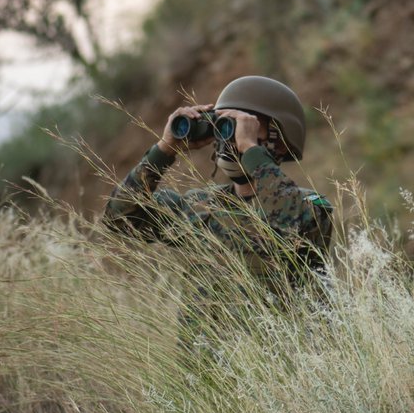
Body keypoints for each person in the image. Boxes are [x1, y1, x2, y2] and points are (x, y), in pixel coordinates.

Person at [104, 75, 332, 336]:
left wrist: (249, 147)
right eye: (224, 126)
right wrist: (166, 149)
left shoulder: (309, 206)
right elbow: (118, 218)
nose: (229, 139)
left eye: (242, 125)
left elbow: (287, 217)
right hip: (203, 372)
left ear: (279, 140)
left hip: (279, 369)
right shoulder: (199, 206)